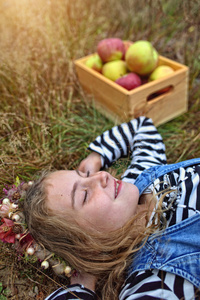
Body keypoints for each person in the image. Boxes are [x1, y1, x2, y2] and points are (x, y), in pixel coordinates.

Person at [24, 116, 200, 300]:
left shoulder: (139, 180)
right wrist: (80, 289)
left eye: (85, 175)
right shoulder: (155, 281)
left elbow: (142, 127)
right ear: (89, 244)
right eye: (84, 194)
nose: (101, 176)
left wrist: (95, 157)